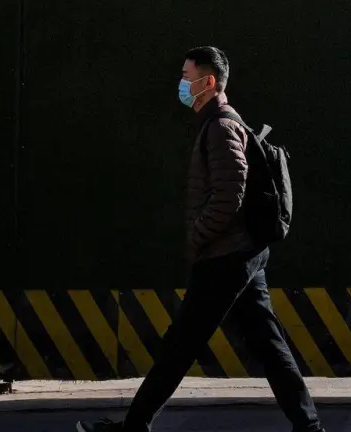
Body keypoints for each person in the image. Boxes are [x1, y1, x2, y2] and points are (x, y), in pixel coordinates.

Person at [77, 47, 322, 432]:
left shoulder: (221, 126)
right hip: (244, 252)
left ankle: (133, 427)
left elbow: (230, 192)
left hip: (227, 255)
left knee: (180, 346)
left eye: (186, 75)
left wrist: (199, 234)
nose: (181, 83)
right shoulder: (221, 122)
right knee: (270, 346)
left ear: (207, 82)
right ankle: (309, 428)